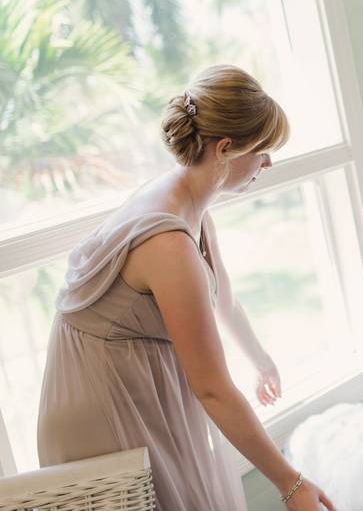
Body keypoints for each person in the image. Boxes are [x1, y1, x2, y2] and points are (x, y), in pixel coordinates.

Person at [37, 65, 335, 510]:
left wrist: (261, 360)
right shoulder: (168, 245)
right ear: (226, 148)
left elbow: (223, 301)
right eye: (263, 151)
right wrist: (291, 485)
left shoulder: (193, 203)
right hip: (103, 398)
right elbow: (211, 386)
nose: (269, 163)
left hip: (134, 376)